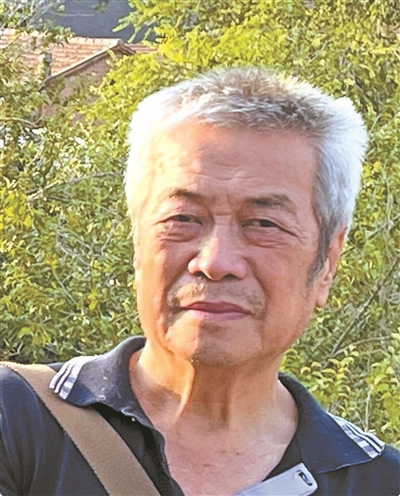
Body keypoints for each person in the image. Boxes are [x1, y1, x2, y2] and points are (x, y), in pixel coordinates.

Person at [1, 67, 399, 496]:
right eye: (183, 219)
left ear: (326, 264)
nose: (215, 262)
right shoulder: (19, 422)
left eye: (263, 224)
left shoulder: (376, 481)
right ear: (138, 245)